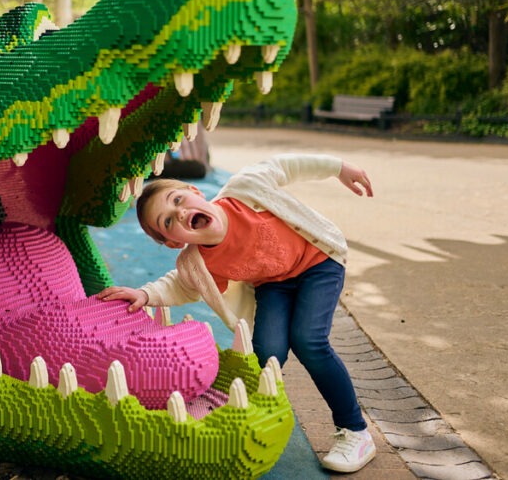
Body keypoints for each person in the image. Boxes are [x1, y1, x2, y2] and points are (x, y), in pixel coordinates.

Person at [97, 153, 376, 473]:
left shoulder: (246, 189)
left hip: (318, 261)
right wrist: (145, 294)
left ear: (194, 191)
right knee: (267, 352)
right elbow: (181, 285)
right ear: (175, 243)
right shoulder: (197, 261)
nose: (180, 212)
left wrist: (339, 168)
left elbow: (288, 165)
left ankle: (355, 431)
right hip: (274, 282)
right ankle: (253, 418)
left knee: (307, 340)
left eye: (177, 200)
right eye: (169, 221)